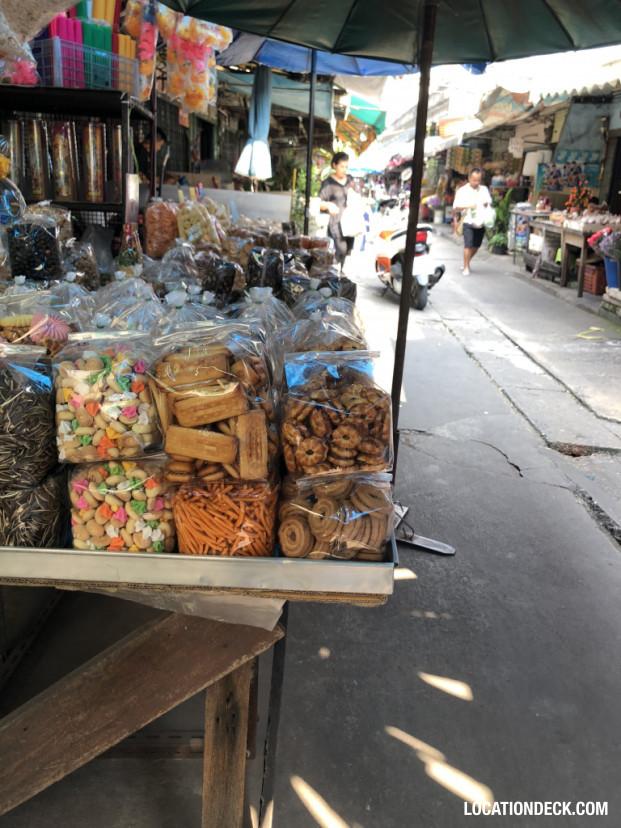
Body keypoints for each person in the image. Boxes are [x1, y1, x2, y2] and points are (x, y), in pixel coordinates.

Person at [318, 152, 355, 271]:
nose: (344, 170)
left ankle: (341, 273)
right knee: (341, 248)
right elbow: (320, 203)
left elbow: (355, 195)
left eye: (346, 167)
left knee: (347, 250)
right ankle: (330, 270)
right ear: (334, 165)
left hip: (350, 223)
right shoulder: (328, 183)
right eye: (342, 166)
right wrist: (329, 205)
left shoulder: (350, 180)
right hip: (335, 223)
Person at [452, 167, 491, 276]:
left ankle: (467, 261)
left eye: (478, 180)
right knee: (468, 244)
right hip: (468, 221)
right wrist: (468, 206)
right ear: (469, 178)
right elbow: (456, 207)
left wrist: (486, 203)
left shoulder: (484, 189)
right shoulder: (462, 191)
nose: (476, 182)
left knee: (476, 245)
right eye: (474, 180)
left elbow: (489, 202)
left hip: (480, 221)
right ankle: (466, 267)